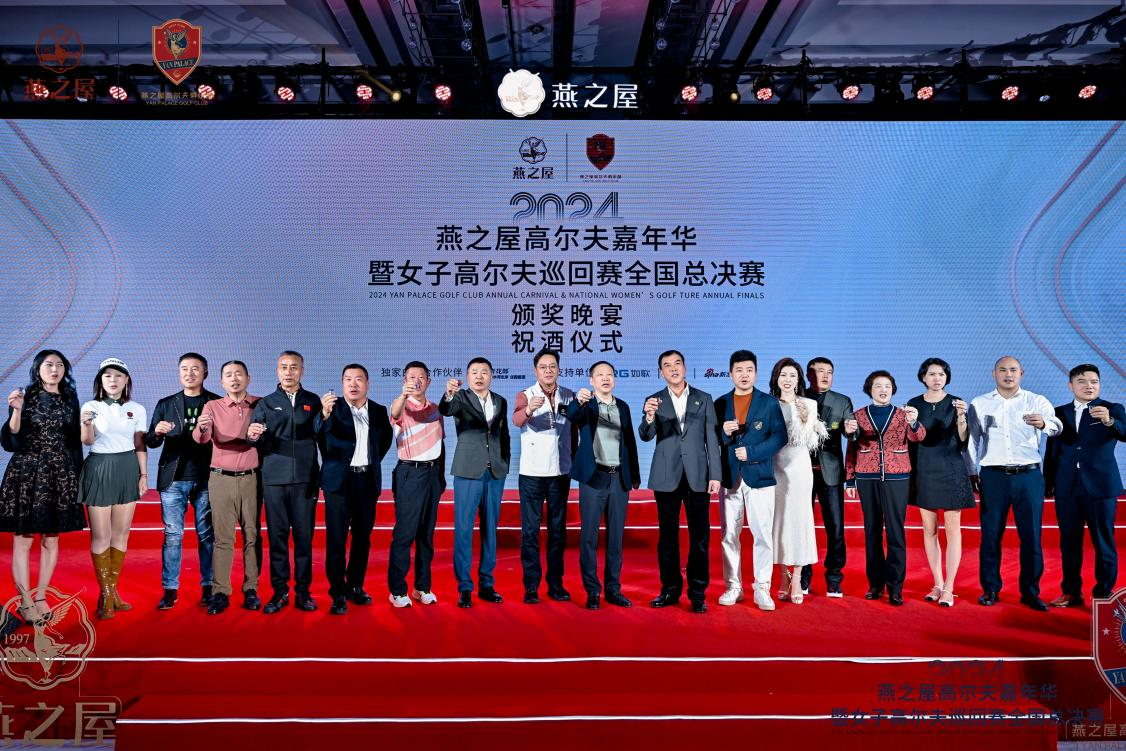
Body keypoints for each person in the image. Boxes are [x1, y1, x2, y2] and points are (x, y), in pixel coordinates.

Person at [967, 356, 1062, 611]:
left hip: (1029, 476)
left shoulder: (1036, 400)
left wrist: (1044, 423)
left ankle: (1030, 592)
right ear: (994, 373)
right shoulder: (980, 403)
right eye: (1002, 370)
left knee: (1031, 537)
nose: (1008, 374)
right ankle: (990, 589)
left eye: (1013, 370)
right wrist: (972, 471)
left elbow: (1057, 426)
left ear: (1022, 373)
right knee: (990, 536)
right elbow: (972, 440)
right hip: (993, 476)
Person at [0, 350, 85, 626]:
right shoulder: (25, 397)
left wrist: (78, 479)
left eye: (60, 365)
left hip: (59, 473)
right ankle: (25, 601)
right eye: (49, 364)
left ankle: (40, 597)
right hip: (27, 471)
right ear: (38, 369)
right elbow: (11, 441)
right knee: (23, 539)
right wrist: (16, 410)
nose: (54, 369)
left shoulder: (70, 399)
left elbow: (75, 443)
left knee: (51, 539)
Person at [639, 350, 721, 614]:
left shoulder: (703, 398)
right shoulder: (654, 400)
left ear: (685, 368)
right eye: (667, 365)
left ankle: (698, 594)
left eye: (677, 364)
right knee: (667, 537)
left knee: (700, 537)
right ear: (660, 372)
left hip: (698, 475)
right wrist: (649, 417)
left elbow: (712, 439)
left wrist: (715, 474)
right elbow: (645, 435)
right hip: (666, 476)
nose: (673, 369)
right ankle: (670, 590)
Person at [1044, 364, 1125, 607]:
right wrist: (1048, 482)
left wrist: (1110, 421)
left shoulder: (1112, 409)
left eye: (1094, 381)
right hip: (1068, 485)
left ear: (1099, 384)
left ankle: (1103, 594)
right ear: (1071, 385)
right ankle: (1071, 592)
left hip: (1100, 485)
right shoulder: (1059, 412)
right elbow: (1052, 450)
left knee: (1103, 541)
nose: (1089, 386)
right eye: (1082, 381)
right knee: (1069, 542)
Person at [315, 364, 392, 615]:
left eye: (359, 379)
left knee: (362, 538)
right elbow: (318, 435)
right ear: (342, 384)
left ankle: (355, 586)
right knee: (336, 539)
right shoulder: (331, 408)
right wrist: (324, 415)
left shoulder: (379, 411)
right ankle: (338, 592)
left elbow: (384, 442)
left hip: (366, 480)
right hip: (339, 482)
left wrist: (368, 463)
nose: (353, 384)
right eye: (348, 379)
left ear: (367, 384)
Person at [145, 353, 220, 610]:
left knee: (207, 535)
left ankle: (209, 587)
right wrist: (157, 432)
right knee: (173, 535)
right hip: (173, 479)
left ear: (205, 373)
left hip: (207, 477)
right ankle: (170, 590)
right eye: (185, 368)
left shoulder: (216, 403)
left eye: (195, 368)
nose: (189, 373)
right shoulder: (166, 404)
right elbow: (151, 441)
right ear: (179, 373)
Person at [248, 351, 321, 614]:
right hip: (274, 479)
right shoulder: (266, 403)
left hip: (305, 478)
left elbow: (323, 436)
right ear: (277, 371)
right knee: (277, 538)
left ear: (302, 370)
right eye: (283, 367)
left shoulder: (313, 401)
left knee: (303, 538)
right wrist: (253, 435)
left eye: (293, 367)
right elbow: (256, 438)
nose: (288, 372)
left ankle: (303, 592)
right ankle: (279, 592)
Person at [845, 370, 925, 607]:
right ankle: (875, 584)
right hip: (866, 476)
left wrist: (914, 422)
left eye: (887, 386)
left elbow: (918, 437)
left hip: (897, 477)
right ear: (869, 389)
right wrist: (850, 479)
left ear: (893, 389)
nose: (883, 390)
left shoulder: (903, 414)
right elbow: (851, 447)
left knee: (895, 532)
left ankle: (895, 587)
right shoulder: (858, 415)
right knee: (871, 532)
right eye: (878, 386)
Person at [714, 350, 787, 611]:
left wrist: (753, 452)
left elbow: (780, 437)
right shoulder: (720, 403)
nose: (744, 375)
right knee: (729, 535)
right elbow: (711, 438)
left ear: (755, 373)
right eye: (739, 370)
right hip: (730, 476)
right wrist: (723, 433)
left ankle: (762, 588)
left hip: (760, 475)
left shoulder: (769, 403)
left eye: (749, 370)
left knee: (762, 534)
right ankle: (733, 587)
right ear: (730, 374)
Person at [567, 361, 640, 610]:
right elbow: (571, 415)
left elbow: (630, 442)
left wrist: (634, 474)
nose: (605, 378)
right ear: (591, 380)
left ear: (614, 379)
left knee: (615, 538)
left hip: (618, 478)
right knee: (589, 537)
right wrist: (578, 401)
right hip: (594, 478)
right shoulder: (586, 405)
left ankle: (613, 589)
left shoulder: (623, 406)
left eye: (609, 374)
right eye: (600, 375)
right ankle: (592, 591)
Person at [78, 358, 148, 620]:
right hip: (99, 468)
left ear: (126, 379)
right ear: (100, 380)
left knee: (121, 534)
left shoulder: (137, 409)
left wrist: (143, 475)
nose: (113, 380)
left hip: (127, 468)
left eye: (118, 375)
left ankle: (110, 593)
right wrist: (86, 425)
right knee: (101, 536)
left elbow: (140, 444)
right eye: (107, 375)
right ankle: (108, 594)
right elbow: (87, 441)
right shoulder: (91, 406)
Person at [439, 357, 511, 608]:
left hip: (495, 472)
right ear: (468, 377)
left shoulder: (500, 401)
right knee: (464, 530)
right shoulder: (460, 398)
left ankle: (487, 584)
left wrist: (504, 463)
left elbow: (503, 434)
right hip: (468, 470)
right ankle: (465, 587)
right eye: (474, 372)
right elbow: (446, 409)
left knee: (490, 529)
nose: (479, 376)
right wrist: (449, 394)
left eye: (484, 372)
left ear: (491, 376)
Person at [192, 360, 262, 614]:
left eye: (239, 374)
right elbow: (202, 438)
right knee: (223, 537)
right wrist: (201, 428)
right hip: (220, 479)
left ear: (248, 378)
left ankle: (251, 588)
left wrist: (259, 435)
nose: (234, 379)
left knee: (252, 535)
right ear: (221, 382)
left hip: (251, 478)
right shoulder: (212, 406)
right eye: (229, 375)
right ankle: (220, 591)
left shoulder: (260, 404)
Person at [907, 358, 974, 608]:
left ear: (947, 377)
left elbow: (963, 440)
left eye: (942, 374)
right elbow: (910, 438)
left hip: (951, 468)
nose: (937, 378)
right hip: (923, 469)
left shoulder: (956, 403)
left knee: (953, 530)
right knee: (929, 529)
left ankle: (949, 587)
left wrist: (962, 416)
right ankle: (937, 583)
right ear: (923, 377)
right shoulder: (913, 404)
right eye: (932, 374)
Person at [512, 348, 575, 604]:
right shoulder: (525, 394)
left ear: (558, 369)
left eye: (552, 366)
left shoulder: (569, 395)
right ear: (535, 370)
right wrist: (529, 410)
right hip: (532, 473)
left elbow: (575, 429)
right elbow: (516, 420)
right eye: (543, 367)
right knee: (530, 532)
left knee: (558, 532)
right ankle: (531, 586)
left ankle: (556, 585)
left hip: (560, 472)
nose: (548, 371)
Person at [770, 358, 827, 606]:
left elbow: (805, 439)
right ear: (777, 378)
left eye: (792, 375)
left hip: (800, 468)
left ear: (798, 379)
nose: (788, 379)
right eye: (783, 375)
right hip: (774, 468)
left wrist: (804, 418)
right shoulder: (768, 404)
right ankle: (783, 577)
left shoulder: (809, 404)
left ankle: (797, 580)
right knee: (779, 521)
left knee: (800, 521)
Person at [387, 361, 444, 607]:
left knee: (426, 535)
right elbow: (394, 413)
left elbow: (440, 442)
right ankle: (397, 590)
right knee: (405, 533)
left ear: (428, 381)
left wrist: (440, 478)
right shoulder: (401, 406)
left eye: (421, 377)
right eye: (411, 377)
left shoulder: (436, 409)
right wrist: (403, 395)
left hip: (432, 474)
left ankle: (422, 587)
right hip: (410, 473)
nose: (417, 380)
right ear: (404, 381)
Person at [801, 357, 856, 598]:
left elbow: (850, 432)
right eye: (819, 371)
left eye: (829, 372)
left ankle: (834, 577)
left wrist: (850, 431)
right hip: (799, 472)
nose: (825, 376)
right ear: (808, 375)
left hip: (830, 473)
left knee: (835, 527)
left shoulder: (842, 401)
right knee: (801, 526)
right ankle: (803, 575)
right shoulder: (798, 398)